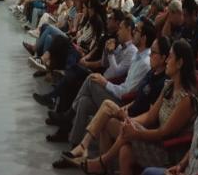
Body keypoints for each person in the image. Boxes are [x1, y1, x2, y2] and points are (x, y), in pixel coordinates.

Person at [82, 39, 198, 175]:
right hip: (155, 140)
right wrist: (131, 122)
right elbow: (151, 116)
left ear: (180, 63)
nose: (167, 60)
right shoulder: (169, 86)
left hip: (169, 151)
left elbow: (165, 133)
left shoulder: (188, 99)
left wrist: (136, 132)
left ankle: (103, 162)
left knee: (124, 135)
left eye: (170, 57)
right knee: (122, 144)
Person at [55, 35, 170, 166]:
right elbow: (137, 97)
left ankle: (79, 138)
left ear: (163, 58)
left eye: (153, 53)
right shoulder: (151, 73)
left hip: (131, 115)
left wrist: (128, 115)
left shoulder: (157, 78)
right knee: (84, 102)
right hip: (125, 105)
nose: (150, 55)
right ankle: (75, 147)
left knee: (93, 82)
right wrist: (127, 107)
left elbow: (148, 114)